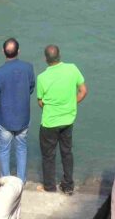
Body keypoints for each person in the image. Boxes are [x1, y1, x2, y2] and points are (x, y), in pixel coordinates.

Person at [36, 44, 87, 195]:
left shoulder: (42, 77)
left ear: (46, 59)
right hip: (68, 120)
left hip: (49, 123)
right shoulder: (72, 68)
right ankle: (68, 185)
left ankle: (50, 187)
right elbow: (83, 91)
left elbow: (40, 102)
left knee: (48, 156)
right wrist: (71, 103)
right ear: (60, 56)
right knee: (67, 152)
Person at [0, 38, 35, 182]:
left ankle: (6, 180)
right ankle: (21, 180)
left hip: (5, 119)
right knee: (21, 148)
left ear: (3, 52)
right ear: (18, 51)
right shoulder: (28, 67)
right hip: (23, 118)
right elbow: (31, 87)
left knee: (4, 150)